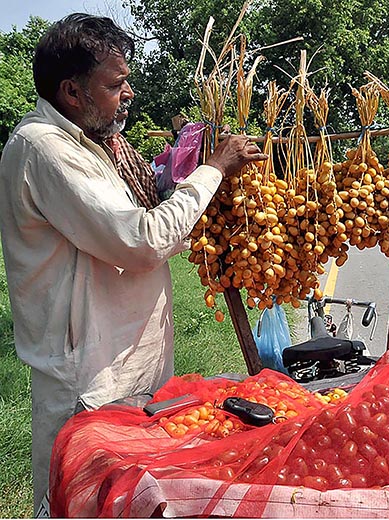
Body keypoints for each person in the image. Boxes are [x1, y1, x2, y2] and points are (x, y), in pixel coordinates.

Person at [0, 13, 267, 510]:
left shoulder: (92, 143)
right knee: (83, 504)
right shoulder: (44, 149)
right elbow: (143, 239)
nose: (129, 95)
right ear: (71, 92)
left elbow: (141, 223)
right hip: (89, 382)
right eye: (115, 84)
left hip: (125, 369)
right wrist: (212, 170)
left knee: (129, 501)